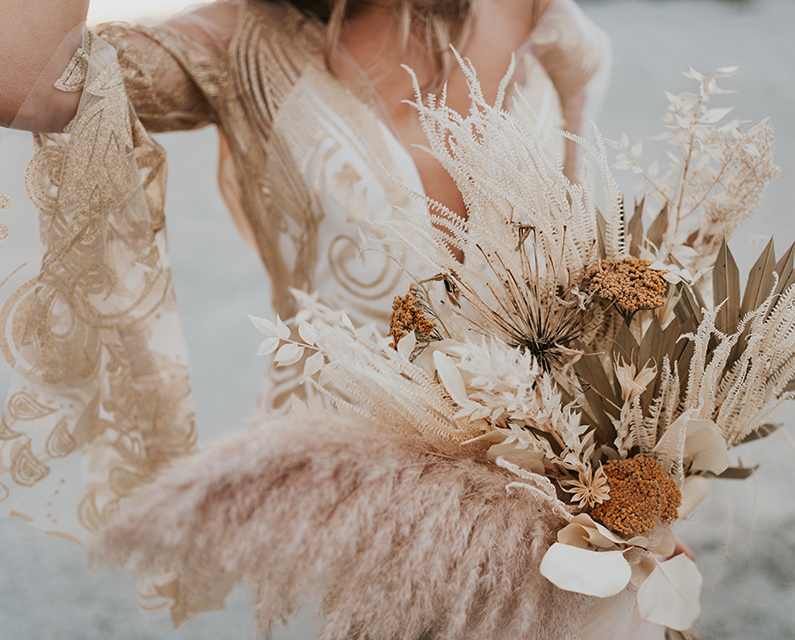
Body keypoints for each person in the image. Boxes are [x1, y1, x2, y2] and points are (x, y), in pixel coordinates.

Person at [0, 0, 611, 622]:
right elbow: (32, 86)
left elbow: (582, 259)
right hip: (359, 497)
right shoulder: (240, 43)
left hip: (557, 478)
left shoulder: (533, 12)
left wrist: (640, 485)